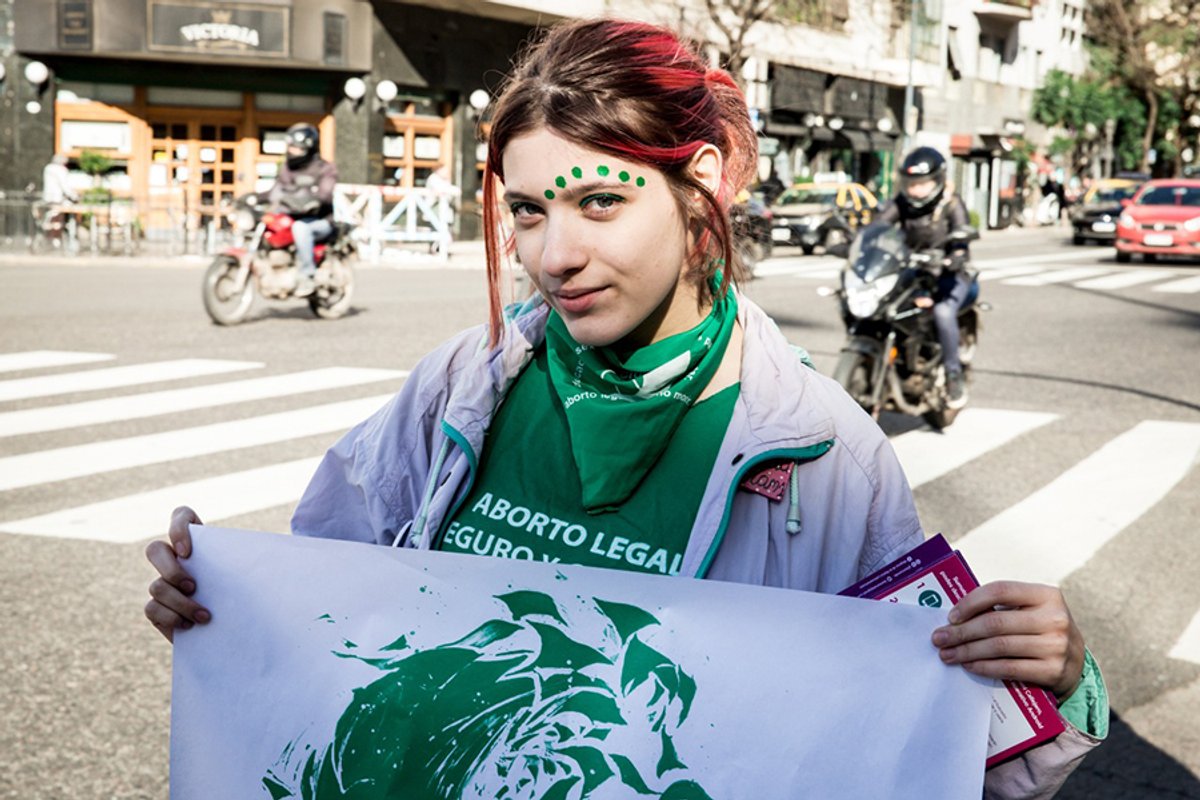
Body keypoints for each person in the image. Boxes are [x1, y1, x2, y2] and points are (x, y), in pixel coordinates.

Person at [145, 18, 1105, 797]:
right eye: (526, 210)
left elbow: (912, 745)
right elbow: (331, 602)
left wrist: (1055, 680)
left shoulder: (826, 455)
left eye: (599, 201)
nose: (551, 254)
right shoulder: (460, 384)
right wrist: (224, 602)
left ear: (700, 186)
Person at [875, 147, 974, 409]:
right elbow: (878, 227)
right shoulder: (901, 203)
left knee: (942, 313)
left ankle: (953, 376)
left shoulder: (951, 204)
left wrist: (958, 254)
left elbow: (962, 237)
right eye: (911, 184)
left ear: (938, 180)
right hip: (913, 272)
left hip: (948, 274)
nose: (915, 190)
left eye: (922, 184)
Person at [268, 123, 338, 298]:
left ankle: (307, 275)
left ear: (308, 147)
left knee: (301, 227)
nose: (291, 151)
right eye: (290, 146)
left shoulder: (324, 168)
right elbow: (276, 190)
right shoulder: (287, 167)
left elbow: (325, 194)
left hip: (320, 221)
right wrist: (252, 198)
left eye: (296, 147)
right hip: (291, 216)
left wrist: (312, 202)